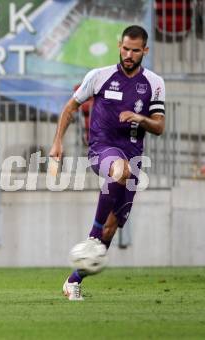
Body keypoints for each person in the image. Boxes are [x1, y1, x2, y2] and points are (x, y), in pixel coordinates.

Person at [49, 25, 165, 301]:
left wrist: (141, 119)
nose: (129, 54)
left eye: (135, 50)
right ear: (120, 46)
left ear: (144, 51)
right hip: (102, 148)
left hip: (134, 157)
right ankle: (92, 234)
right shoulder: (99, 76)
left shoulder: (155, 83)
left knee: (113, 228)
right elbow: (70, 107)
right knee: (118, 170)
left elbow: (159, 126)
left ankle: (73, 281)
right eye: (125, 48)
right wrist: (57, 142)